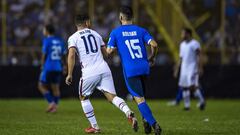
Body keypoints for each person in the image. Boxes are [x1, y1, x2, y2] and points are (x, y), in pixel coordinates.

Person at [65, 14, 138, 134]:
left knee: (83, 98)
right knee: (112, 97)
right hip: (104, 68)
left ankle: (95, 126)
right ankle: (128, 112)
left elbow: (71, 55)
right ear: (87, 22)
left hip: (89, 72)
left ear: (76, 24)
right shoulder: (96, 34)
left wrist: (69, 74)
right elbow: (107, 54)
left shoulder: (73, 37)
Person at [106, 6, 162, 135]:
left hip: (131, 69)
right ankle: (146, 122)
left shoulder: (116, 32)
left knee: (139, 99)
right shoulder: (141, 30)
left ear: (120, 18)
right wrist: (152, 57)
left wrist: (113, 50)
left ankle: (154, 124)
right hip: (144, 67)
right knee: (142, 97)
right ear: (133, 17)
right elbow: (154, 44)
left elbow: (108, 52)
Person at [173, 28, 206, 110]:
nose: (182, 35)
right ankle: (187, 106)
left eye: (183, 33)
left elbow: (200, 55)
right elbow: (181, 58)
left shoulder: (195, 43)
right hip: (184, 68)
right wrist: (177, 69)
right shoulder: (182, 45)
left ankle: (202, 101)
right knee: (184, 87)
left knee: (192, 86)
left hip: (192, 67)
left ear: (188, 34)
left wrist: (200, 67)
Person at [38, 24, 66, 113]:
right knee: (56, 88)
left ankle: (51, 102)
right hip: (58, 67)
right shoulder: (60, 41)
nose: (43, 32)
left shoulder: (46, 40)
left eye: (43, 30)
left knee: (41, 85)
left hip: (48, 67)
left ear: (46, 31)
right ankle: (55, 108)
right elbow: (64, 54)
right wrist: (65, 66)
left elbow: (44, 54)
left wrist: (42, 65)